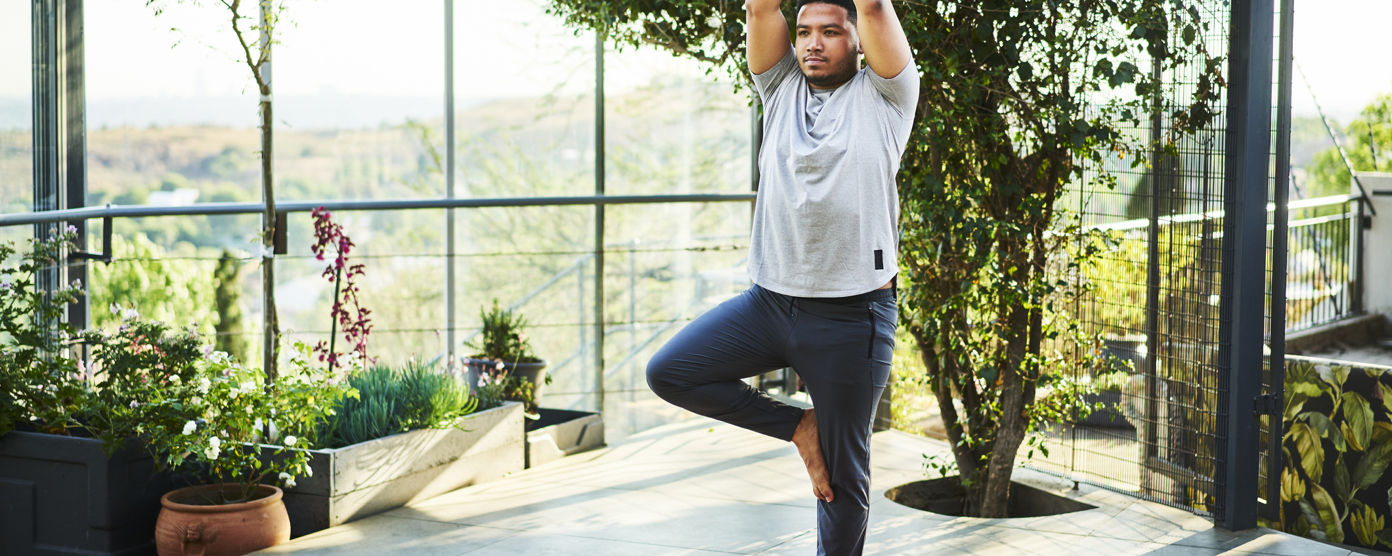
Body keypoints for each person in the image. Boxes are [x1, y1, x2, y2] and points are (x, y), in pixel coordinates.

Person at [645, 0, 916, 554]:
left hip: (851, 316)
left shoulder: (887, 96)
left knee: (842, 484)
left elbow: (874, 5)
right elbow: (762, 7)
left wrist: (865, 12)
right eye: (805, 33)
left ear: (859, 40)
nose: (814, 43)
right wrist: (792, 422)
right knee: (670, 372)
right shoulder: (780, 88)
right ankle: (800, 427)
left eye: (831, 33)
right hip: (768, 304)